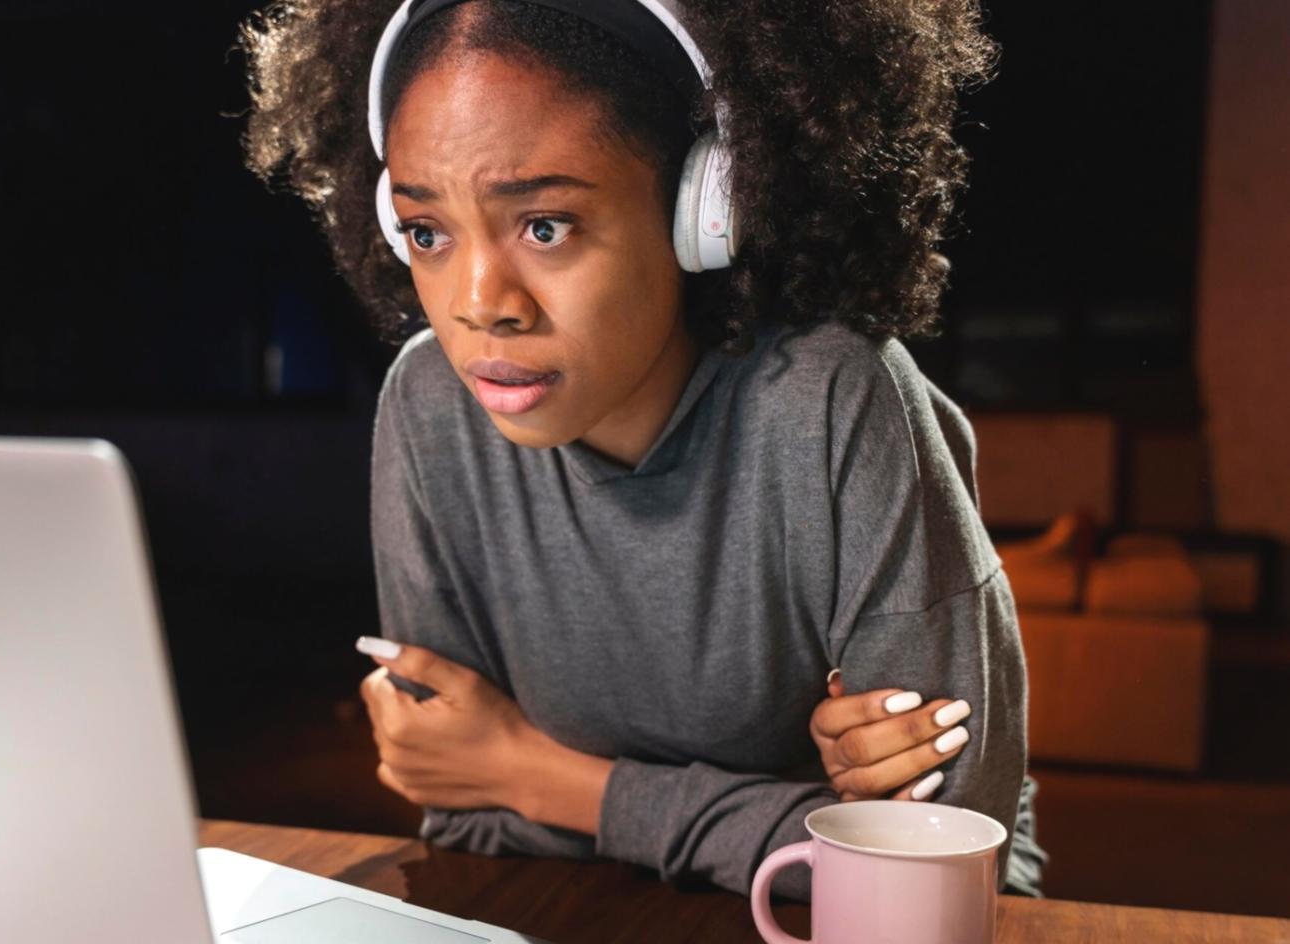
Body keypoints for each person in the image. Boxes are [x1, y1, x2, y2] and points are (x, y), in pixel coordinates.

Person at [240, 0, 1045, 899]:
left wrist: (543, 778)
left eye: (544, 225)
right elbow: (464, 809)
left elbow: (927, 859)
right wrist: (800, 811)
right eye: (428, 232)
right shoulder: (433, 404)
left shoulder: (830, 398)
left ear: (707, 209)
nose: (479, 303)